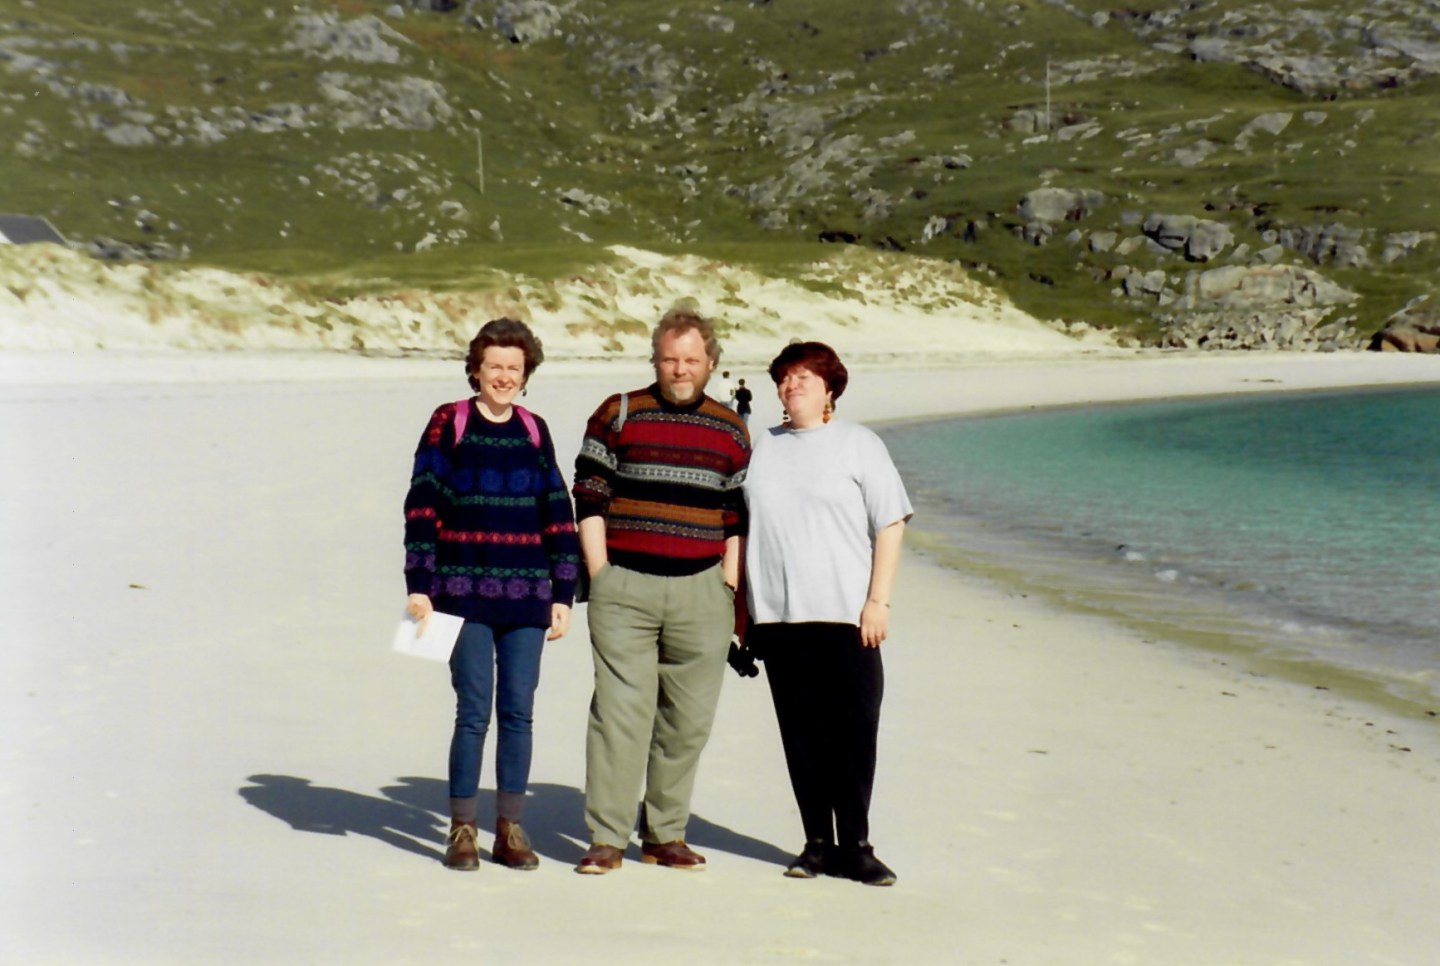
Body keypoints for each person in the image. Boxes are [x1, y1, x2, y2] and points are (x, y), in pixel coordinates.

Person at [570, 306, 751, 874]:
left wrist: (728, 583)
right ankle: (606, 837)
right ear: (655, 360)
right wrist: (600, 571)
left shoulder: (730, 428)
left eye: (691, 360)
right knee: (619, 714)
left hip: (702, 590)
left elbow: (736, 513)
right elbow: (589, 496)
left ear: (711, 363)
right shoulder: (618, 413)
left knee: (687, 721)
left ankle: (664, 834)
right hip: (624, 586)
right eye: (670, 359)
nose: (680, 369)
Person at [402, 317, 581, 872]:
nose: (504, 377)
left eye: (514, 368)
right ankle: (462, 830)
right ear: (475, 370)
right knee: (474, 710)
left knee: (519, 712)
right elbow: (422, 503)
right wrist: (419, 586)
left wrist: (563, 591)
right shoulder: (449, 421)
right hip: (460, 594)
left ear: (526, 374)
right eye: (494, 366)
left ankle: (510, 830)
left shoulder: (534, 429)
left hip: (527, 596)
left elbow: (558, 510)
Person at [739, 341, 912, 887]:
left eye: (805, 378)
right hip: (778, 618)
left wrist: (878, 600)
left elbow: (891, 522)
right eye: (785, 378)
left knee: (854, 733)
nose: (792, 386)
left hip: (846, 615)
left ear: (830, 388)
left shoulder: (858, 444)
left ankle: (856, 847)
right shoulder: (763, 447)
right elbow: (743, 530)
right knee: (801, 736)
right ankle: (816, 844)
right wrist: (743, 612)